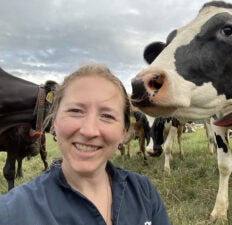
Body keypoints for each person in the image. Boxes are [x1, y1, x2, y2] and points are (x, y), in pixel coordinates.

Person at [0, 63, 172, 225]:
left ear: (123, 132)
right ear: (54, 122)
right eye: (75, 111)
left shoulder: (144, 193)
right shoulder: (12, 212)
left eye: (107, 116)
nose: (89, 131)